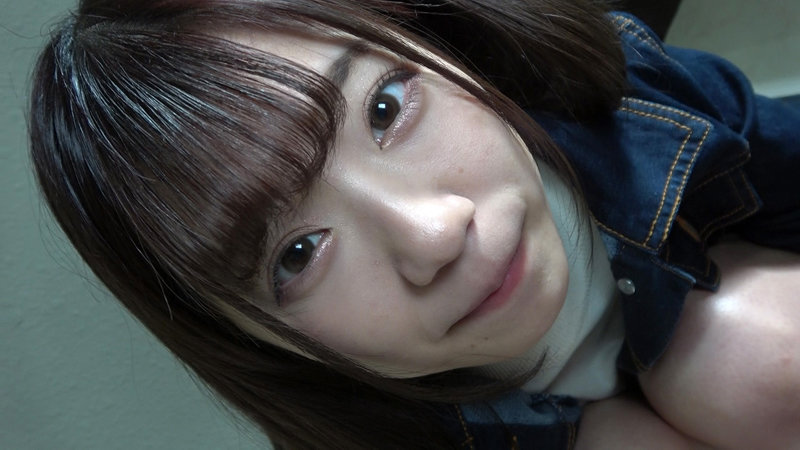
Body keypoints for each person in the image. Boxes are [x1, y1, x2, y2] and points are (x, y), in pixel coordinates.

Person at [28, 0, 800, 448]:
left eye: (385, 108)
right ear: (242, 335)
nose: (434, 236)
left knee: (743, 364)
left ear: (426, 44)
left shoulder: (632, 100)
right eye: (296, 255)